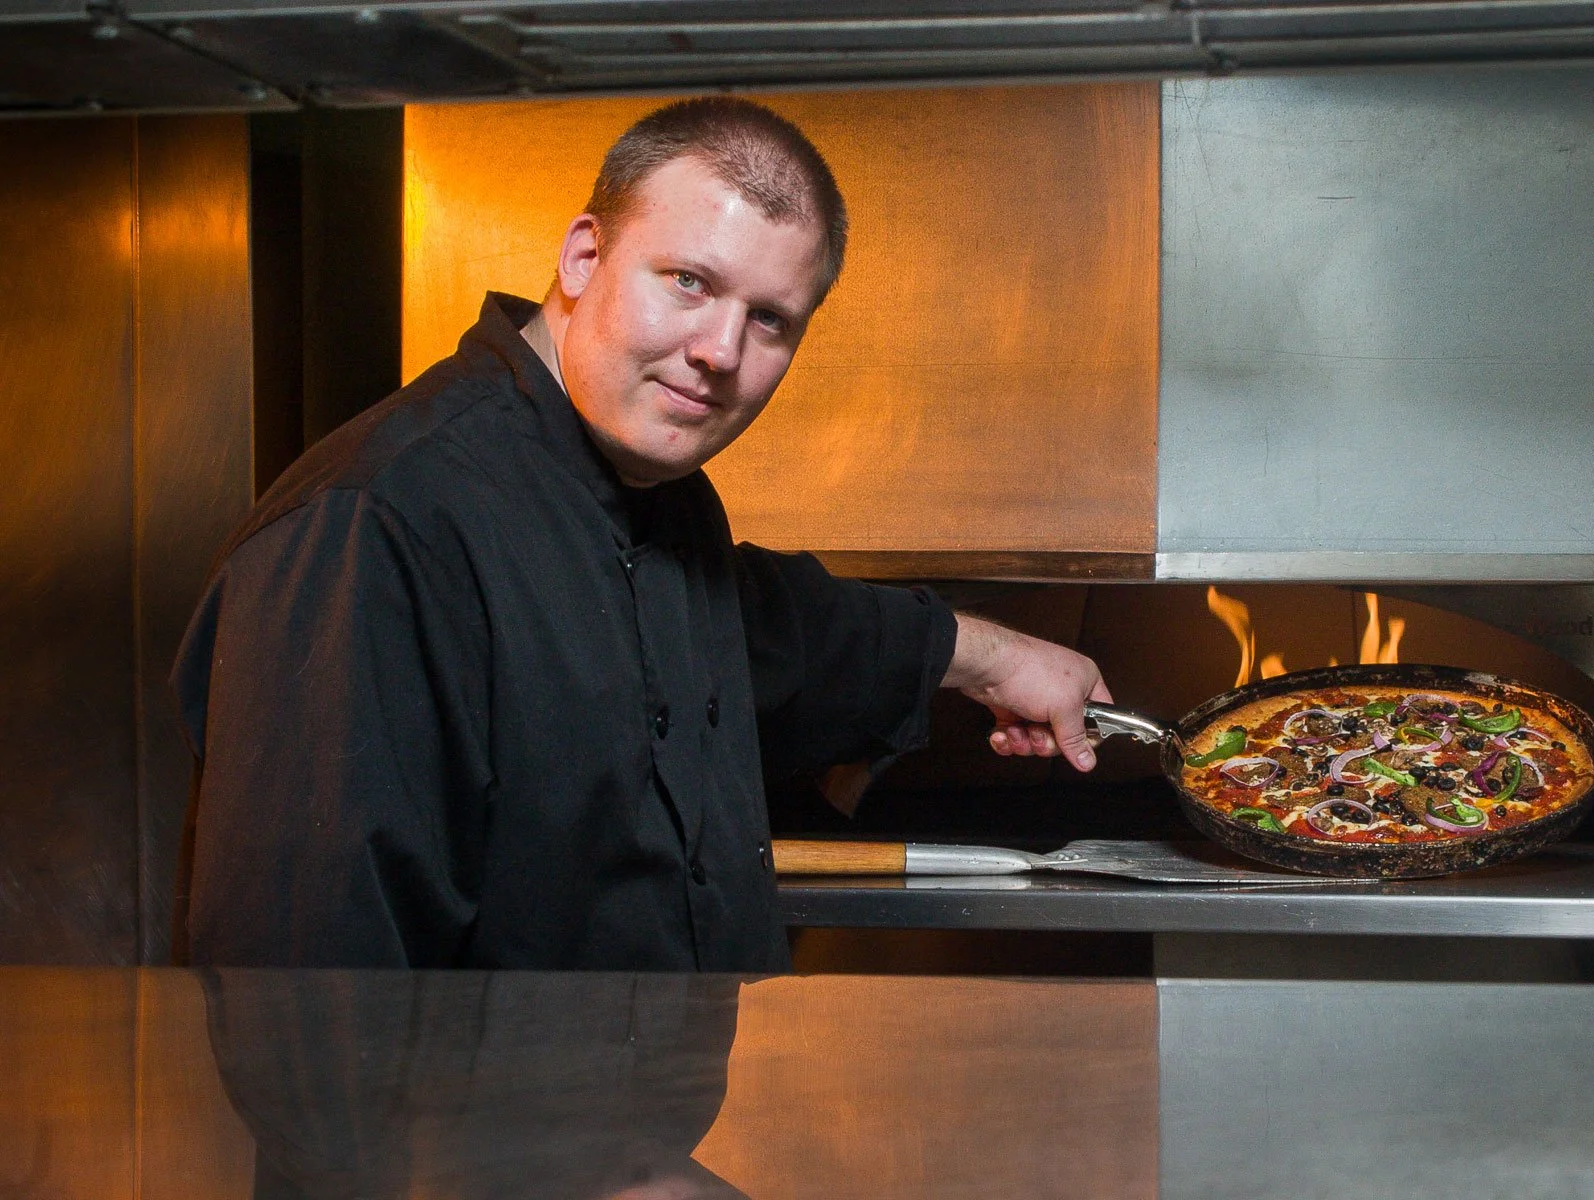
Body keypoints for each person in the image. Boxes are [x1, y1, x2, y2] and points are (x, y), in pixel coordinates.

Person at [170, 97, 1110, 972]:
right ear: (583, 257)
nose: (721, 351)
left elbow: (773, 630)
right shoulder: (376, 524)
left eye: (770, 319)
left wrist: (989, 656)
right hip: (490, 1154)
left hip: (653, 1138)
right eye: (689, 282)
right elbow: (306, 1003)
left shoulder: (656, 497)